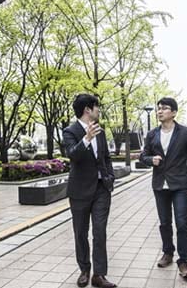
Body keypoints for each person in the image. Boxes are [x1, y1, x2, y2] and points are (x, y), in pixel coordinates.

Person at [140, 97, 187, 278]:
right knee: (164, 222)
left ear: (173, 112)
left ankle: (184, 261)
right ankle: (168, 252)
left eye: (164, 108)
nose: (160, 111)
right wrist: (152, 160)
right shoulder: (152, 134)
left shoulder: (186, 133)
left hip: (180, 184)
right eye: (159, 108)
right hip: (160, 185)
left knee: (182, 223)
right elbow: (143, 156)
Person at [63, 94, 117, 288]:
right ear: (87, 109)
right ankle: (85, 270)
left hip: (102, 189)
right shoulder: (70, 131)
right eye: (97, 107)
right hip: (79, 191)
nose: (98, 111)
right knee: (80, 232)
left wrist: (110, 177)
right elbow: (72, 155)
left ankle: (99, 275)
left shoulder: (100, 131)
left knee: (100, 231)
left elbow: (106, 157)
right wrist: (87, 138)